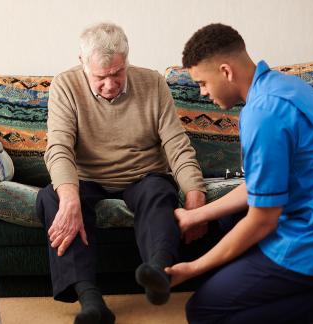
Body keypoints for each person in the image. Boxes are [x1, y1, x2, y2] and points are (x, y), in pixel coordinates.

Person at [164, 23, 313, 324]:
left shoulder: (262, 113)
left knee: (202, 310)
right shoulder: (285, 86)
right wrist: (195, 215)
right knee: (229, 222)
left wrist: (193, 268)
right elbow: (261, 186)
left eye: (203, 83)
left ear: (225, 71)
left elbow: (263, 219)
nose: (203, 93)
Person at [37, 22, 207, 324]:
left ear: (126, 61)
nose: (110, 84)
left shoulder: (152, 83)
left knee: (160, 191)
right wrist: (70, 197)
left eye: (117, 73)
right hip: (87, 177)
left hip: (142, 175)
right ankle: (91, 301)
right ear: (83, 64)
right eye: (100, 77)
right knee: (53, 198)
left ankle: (157, 270)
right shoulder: (65, 85)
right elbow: (59, 148)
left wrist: (196, 197)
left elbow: (177, 145)